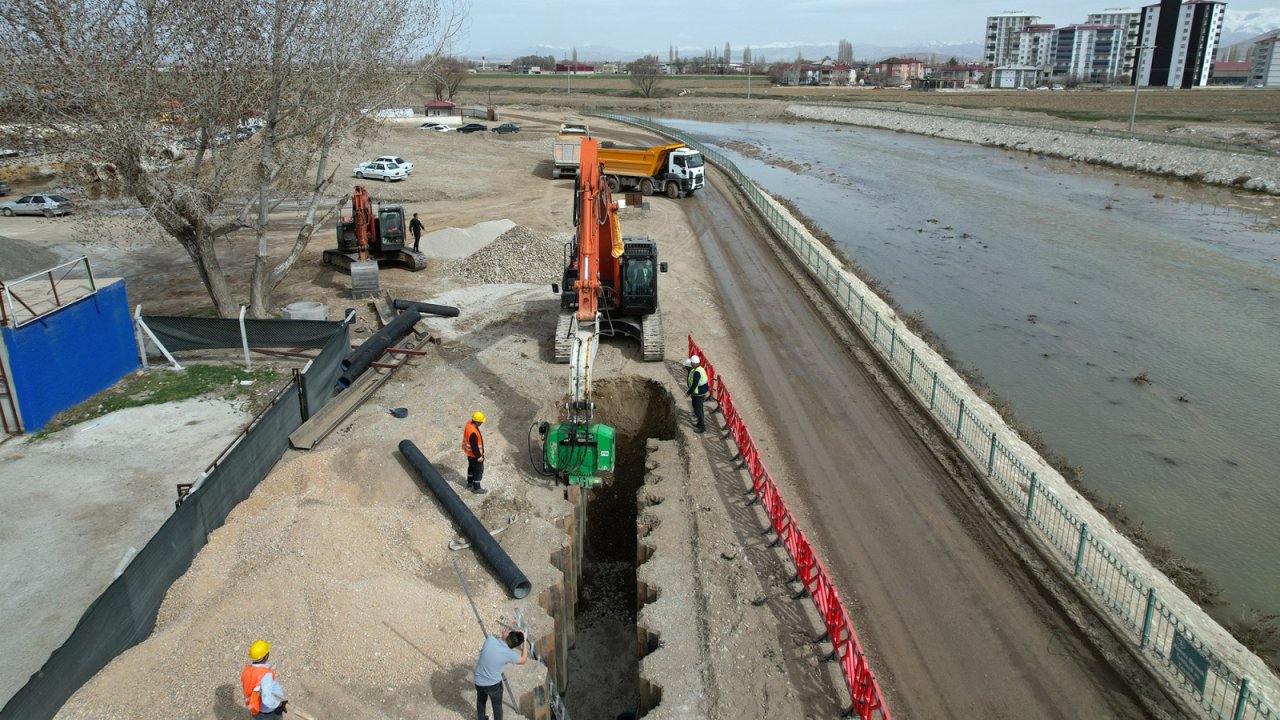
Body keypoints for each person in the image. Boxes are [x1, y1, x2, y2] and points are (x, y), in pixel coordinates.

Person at [473, 629, 527, 720]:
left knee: (481, 700)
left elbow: (494, 648)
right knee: (497, 705)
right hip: (493, 685)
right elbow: (523, 660)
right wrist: (524, 641)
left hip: (478, 680)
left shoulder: (490, 640)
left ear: (507, 636)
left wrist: (503, 637)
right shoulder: (509, 654)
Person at [241, 639, 287, 717]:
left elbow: (254, 688)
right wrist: (279, 704)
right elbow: (267, 700)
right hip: (269, 712)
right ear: (266, 656)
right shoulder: (266, 675)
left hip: (255, 707)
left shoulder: (246, 671)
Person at [681, 354, 710, 433]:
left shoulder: (697, 372)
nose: (691, 364)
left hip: (699, 393)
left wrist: (687, 393)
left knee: (699, 410)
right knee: (696, 408)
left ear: (694, 363)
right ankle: (699, 424)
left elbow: (694, 384)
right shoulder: (699, 369)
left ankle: (702, 427)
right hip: (698, 393)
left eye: (691, 363)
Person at [462, 411, 488, 494]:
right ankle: (476, 488)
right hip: (475, 456)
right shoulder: (473, 432)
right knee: (478, 471)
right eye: (481, 422)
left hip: (469, 454)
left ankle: (470, 482)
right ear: (477, 422)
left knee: (471, 468)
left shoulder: (469, 424)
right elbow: (474, 447)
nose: (481, 423)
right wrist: (479, 457)